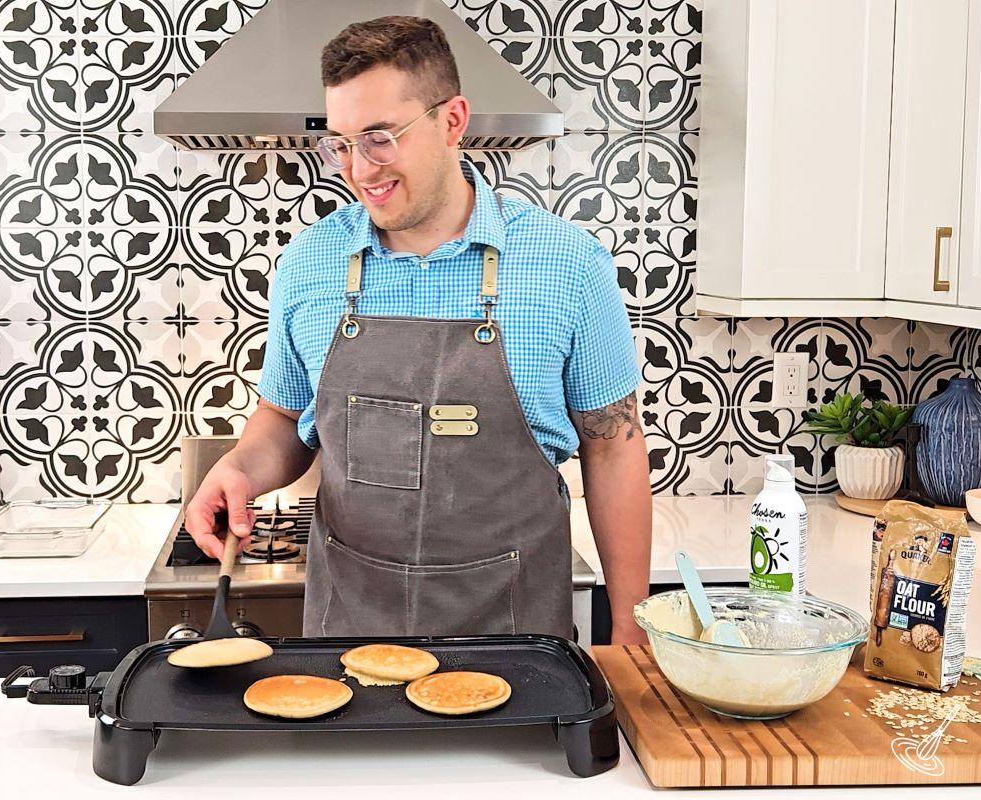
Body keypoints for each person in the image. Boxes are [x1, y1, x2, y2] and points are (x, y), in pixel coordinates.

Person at [185, 15, 652, 644]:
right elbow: (282, 420)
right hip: (349, 644)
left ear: (452, 120)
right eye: (342, 143)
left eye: (379, 137)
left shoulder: (567, 264)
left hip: (518, 640)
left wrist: (630, 628)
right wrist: (240, 468)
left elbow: (614, 447)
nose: (358, 168)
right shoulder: (309, 263)